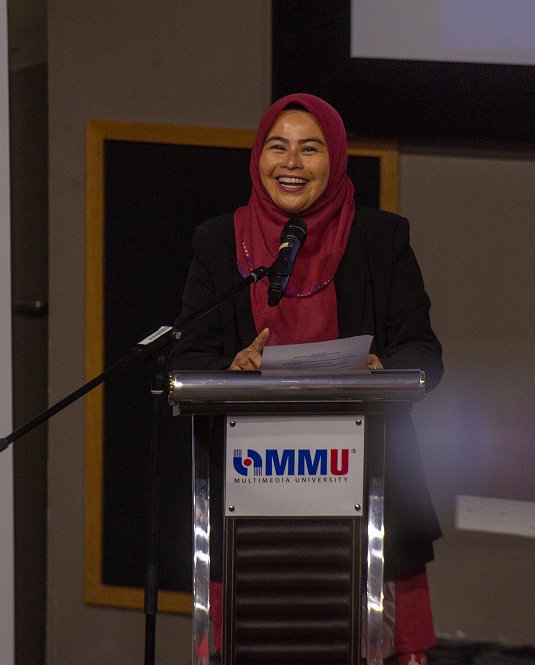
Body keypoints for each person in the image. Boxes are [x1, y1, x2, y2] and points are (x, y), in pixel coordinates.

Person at [170, 93, 443, 665]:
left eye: (309, 148)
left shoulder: (381, 240)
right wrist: (232, 371)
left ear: (335, 159)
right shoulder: (220, 243)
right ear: (258, 157)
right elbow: (188, 362)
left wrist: (380, 371)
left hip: (369, 500)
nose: (290, 163)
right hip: (247, 511)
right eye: (278, 146)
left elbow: (423, 353)